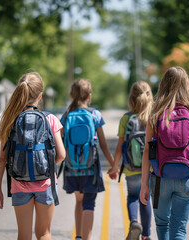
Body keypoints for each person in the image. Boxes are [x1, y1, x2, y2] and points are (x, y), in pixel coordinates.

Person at [139, 66, 189, 240]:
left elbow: (147, 151)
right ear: (186, 86)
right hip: (186, 179)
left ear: (163, 85)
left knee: (162, 224)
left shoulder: (155, 114)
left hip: (160, 180)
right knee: (179, 229)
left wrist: (144, 184)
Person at [0, 72, 66, 240]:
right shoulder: (50, 118)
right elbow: (61, 155)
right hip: (45, 183)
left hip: (19, 184)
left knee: (24, 236)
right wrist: (46, 167)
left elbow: (2, 159)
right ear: (40, 95)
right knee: (44, 233)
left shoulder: (11, 120)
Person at [61, 78, 115, 240]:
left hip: (72, 168)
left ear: (72, 95)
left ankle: (78, 236)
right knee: (88, 204)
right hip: (91, 168)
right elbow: (104, 146)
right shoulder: (95, 115)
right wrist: (114, 166)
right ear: (89, 95)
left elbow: (60, 141)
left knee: (79, 201)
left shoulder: (67, 116)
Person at [108, 81, 153, 240]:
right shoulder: (153, 117)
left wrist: (114, 168)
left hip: (130, 167)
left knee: (133, 196)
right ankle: (146, 235)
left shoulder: (126, 118)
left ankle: (134, 222)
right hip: (151, 169)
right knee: (146, 198)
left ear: (131, 98)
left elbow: (120, 147)